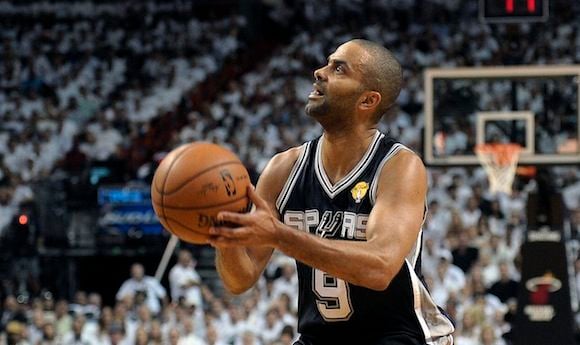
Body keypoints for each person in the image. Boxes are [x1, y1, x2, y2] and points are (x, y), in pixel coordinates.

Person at [210, 39, 454, 345]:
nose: (319, 72)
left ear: (367, 101)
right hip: (319, 338)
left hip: (399, 335)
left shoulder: (398, 166)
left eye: (338, 69)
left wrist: (279, 234)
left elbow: (380, 268)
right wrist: (223, 234)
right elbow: (239, 280)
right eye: (327, 63)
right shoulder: (283, 169)